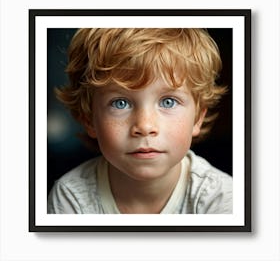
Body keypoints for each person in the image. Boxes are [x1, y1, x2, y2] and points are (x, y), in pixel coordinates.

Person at [47, 28, 232, 214]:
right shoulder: (70, 198)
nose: (145, 126)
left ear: (197, 118)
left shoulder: (220, 198)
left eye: (168, 102)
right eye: (120, 103)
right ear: (89, 120)